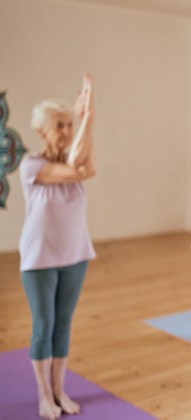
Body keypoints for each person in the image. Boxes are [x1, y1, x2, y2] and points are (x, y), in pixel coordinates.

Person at [19, 74, 96, 419]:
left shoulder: (75, 163)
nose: (65, 130)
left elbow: (83, 166)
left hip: (76, 256)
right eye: (59, 126)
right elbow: (75, 171)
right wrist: (88, 118)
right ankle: (43, 395)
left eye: (69, 124)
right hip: (39, 260)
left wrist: (86, 121)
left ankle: (60, 391)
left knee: (63, 324)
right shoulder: (32, 166)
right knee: (43, 326)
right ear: (42, 131)